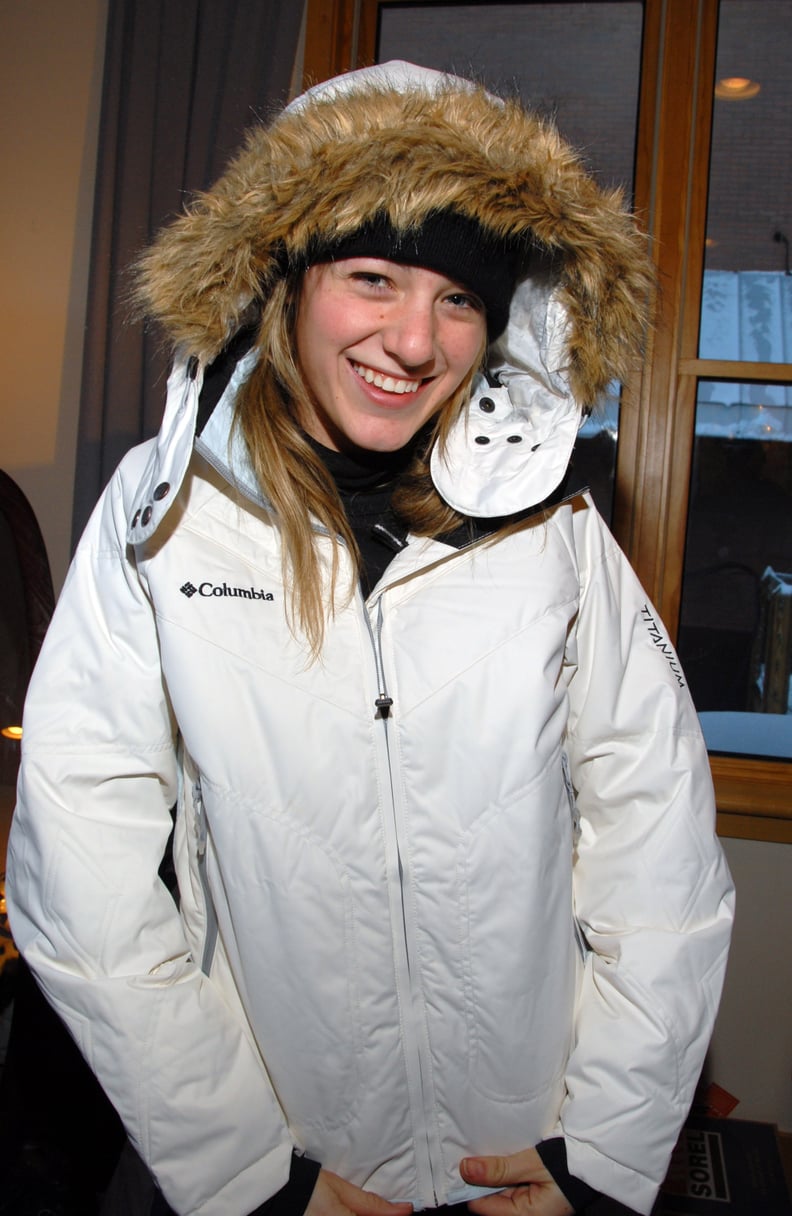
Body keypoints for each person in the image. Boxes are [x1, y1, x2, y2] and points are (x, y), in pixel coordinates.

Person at [7, 60, 734, 1216]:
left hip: (522, 1164)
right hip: (288, 1161)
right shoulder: (164, 517)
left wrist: (598, 1159)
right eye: (372, 277)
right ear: (286, 281)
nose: (414, 338)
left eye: (459, 299)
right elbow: (82, 886)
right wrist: (247, 1176)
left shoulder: (555, 533)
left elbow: (663, 860)